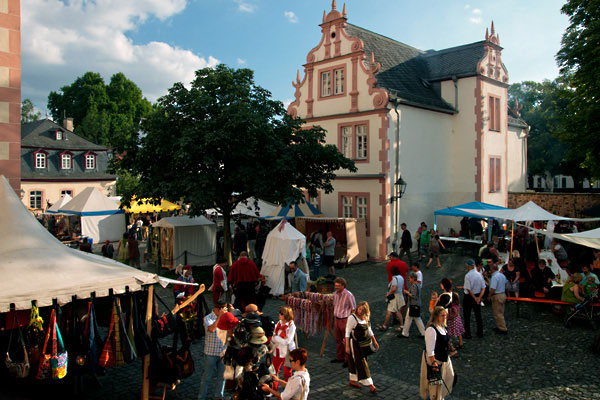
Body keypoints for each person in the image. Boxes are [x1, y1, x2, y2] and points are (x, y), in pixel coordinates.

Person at [419, 306, 455, 400]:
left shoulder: (442, 326)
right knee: (435, 384)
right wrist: (434, 362)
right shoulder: (431, 329)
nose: (444, 317)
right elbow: (430, 349)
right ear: (436, 316)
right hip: (436, 359)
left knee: (450, 376)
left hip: (444, 357)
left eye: (445, 315)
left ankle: (441, 396)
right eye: (442, 315)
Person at [346, 301, 379, 394]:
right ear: (357, 308)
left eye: (363, 310)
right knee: (362, 362)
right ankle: (371, 386)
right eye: (359, 309)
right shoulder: (352, 318)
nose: (360, 311)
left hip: (363, 344)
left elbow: (369, 330)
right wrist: (347, 346)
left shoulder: (365, 318)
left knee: (355, 361)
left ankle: (352, 380)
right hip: (354, 344)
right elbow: (347, 332)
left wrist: (375, 341)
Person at [198, 301, 227, 400]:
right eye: (224, 309)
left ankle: (219, 396)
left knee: (222, 378)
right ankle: (201, 397)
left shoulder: (225, 317)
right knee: (206, 378)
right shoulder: (208, 318)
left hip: (222, 353)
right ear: (218, 309)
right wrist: (220, 318)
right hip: (210, 354)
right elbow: (211, 329)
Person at [331, 277, 356, 366]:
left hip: (345, 319)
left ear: (343, 286)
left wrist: (352, 321)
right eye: (335, 286)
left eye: (338, 286)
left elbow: (353, 308)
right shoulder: (335, 294)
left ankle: (347, 360)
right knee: (338, 339)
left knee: (346, 340)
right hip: (337, 319)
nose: (336, 287)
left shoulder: (349, 295)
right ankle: (339, 357)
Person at [271, 306, 296, 390]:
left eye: (281, 313)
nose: (279, 314)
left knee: (287, 373)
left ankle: (288, 390)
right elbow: (273, 337)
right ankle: (274, 389)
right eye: (280, 312)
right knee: (274, 371)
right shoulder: (278, 323)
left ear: (286, 315)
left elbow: (287, 341)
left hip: (287, 352)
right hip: (277, 350)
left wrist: (276, 337)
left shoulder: (291, 326)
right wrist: (278, 338)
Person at [377, 265, 405, 332]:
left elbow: (394, 288)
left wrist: (388, 294)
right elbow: (402, 288)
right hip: (399, 295)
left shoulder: (395, 279)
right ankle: (402, 325)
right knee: (397, 311)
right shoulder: (401, 277)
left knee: (389, 311)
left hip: (394, 297)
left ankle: (384, 326)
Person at [463, 258, 485, 339]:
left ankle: (468, 333)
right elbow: (483, 287)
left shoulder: (467, 276)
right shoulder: (479, 274)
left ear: (468, 266)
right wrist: (479, 297)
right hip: (478, 294)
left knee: (467, 315)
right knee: (478, 315)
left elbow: (468, 289)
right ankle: (480, 332)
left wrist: (475, 298)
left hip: (469, 297)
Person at [400, 272, 426, 338]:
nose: (409, 280)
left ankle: (405, 333)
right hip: (416, 304)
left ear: (413, 278)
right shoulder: (418, 285)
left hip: (413, 305)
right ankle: (423, 333)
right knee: (416, 319)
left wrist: (407, 292)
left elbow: (414, 296)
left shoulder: (414, 286)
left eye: (410, 278)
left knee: (410, 319)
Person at [488, 262, 508, 334]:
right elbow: (506, 284)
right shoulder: (502, 275)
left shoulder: (494, 277)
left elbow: (493, 288)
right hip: (503, 294)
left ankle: (502, 328)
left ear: (492, 270)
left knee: (497, 313)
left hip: (497, 295)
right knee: (501, 312)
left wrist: (489, 295)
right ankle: (500, 326)